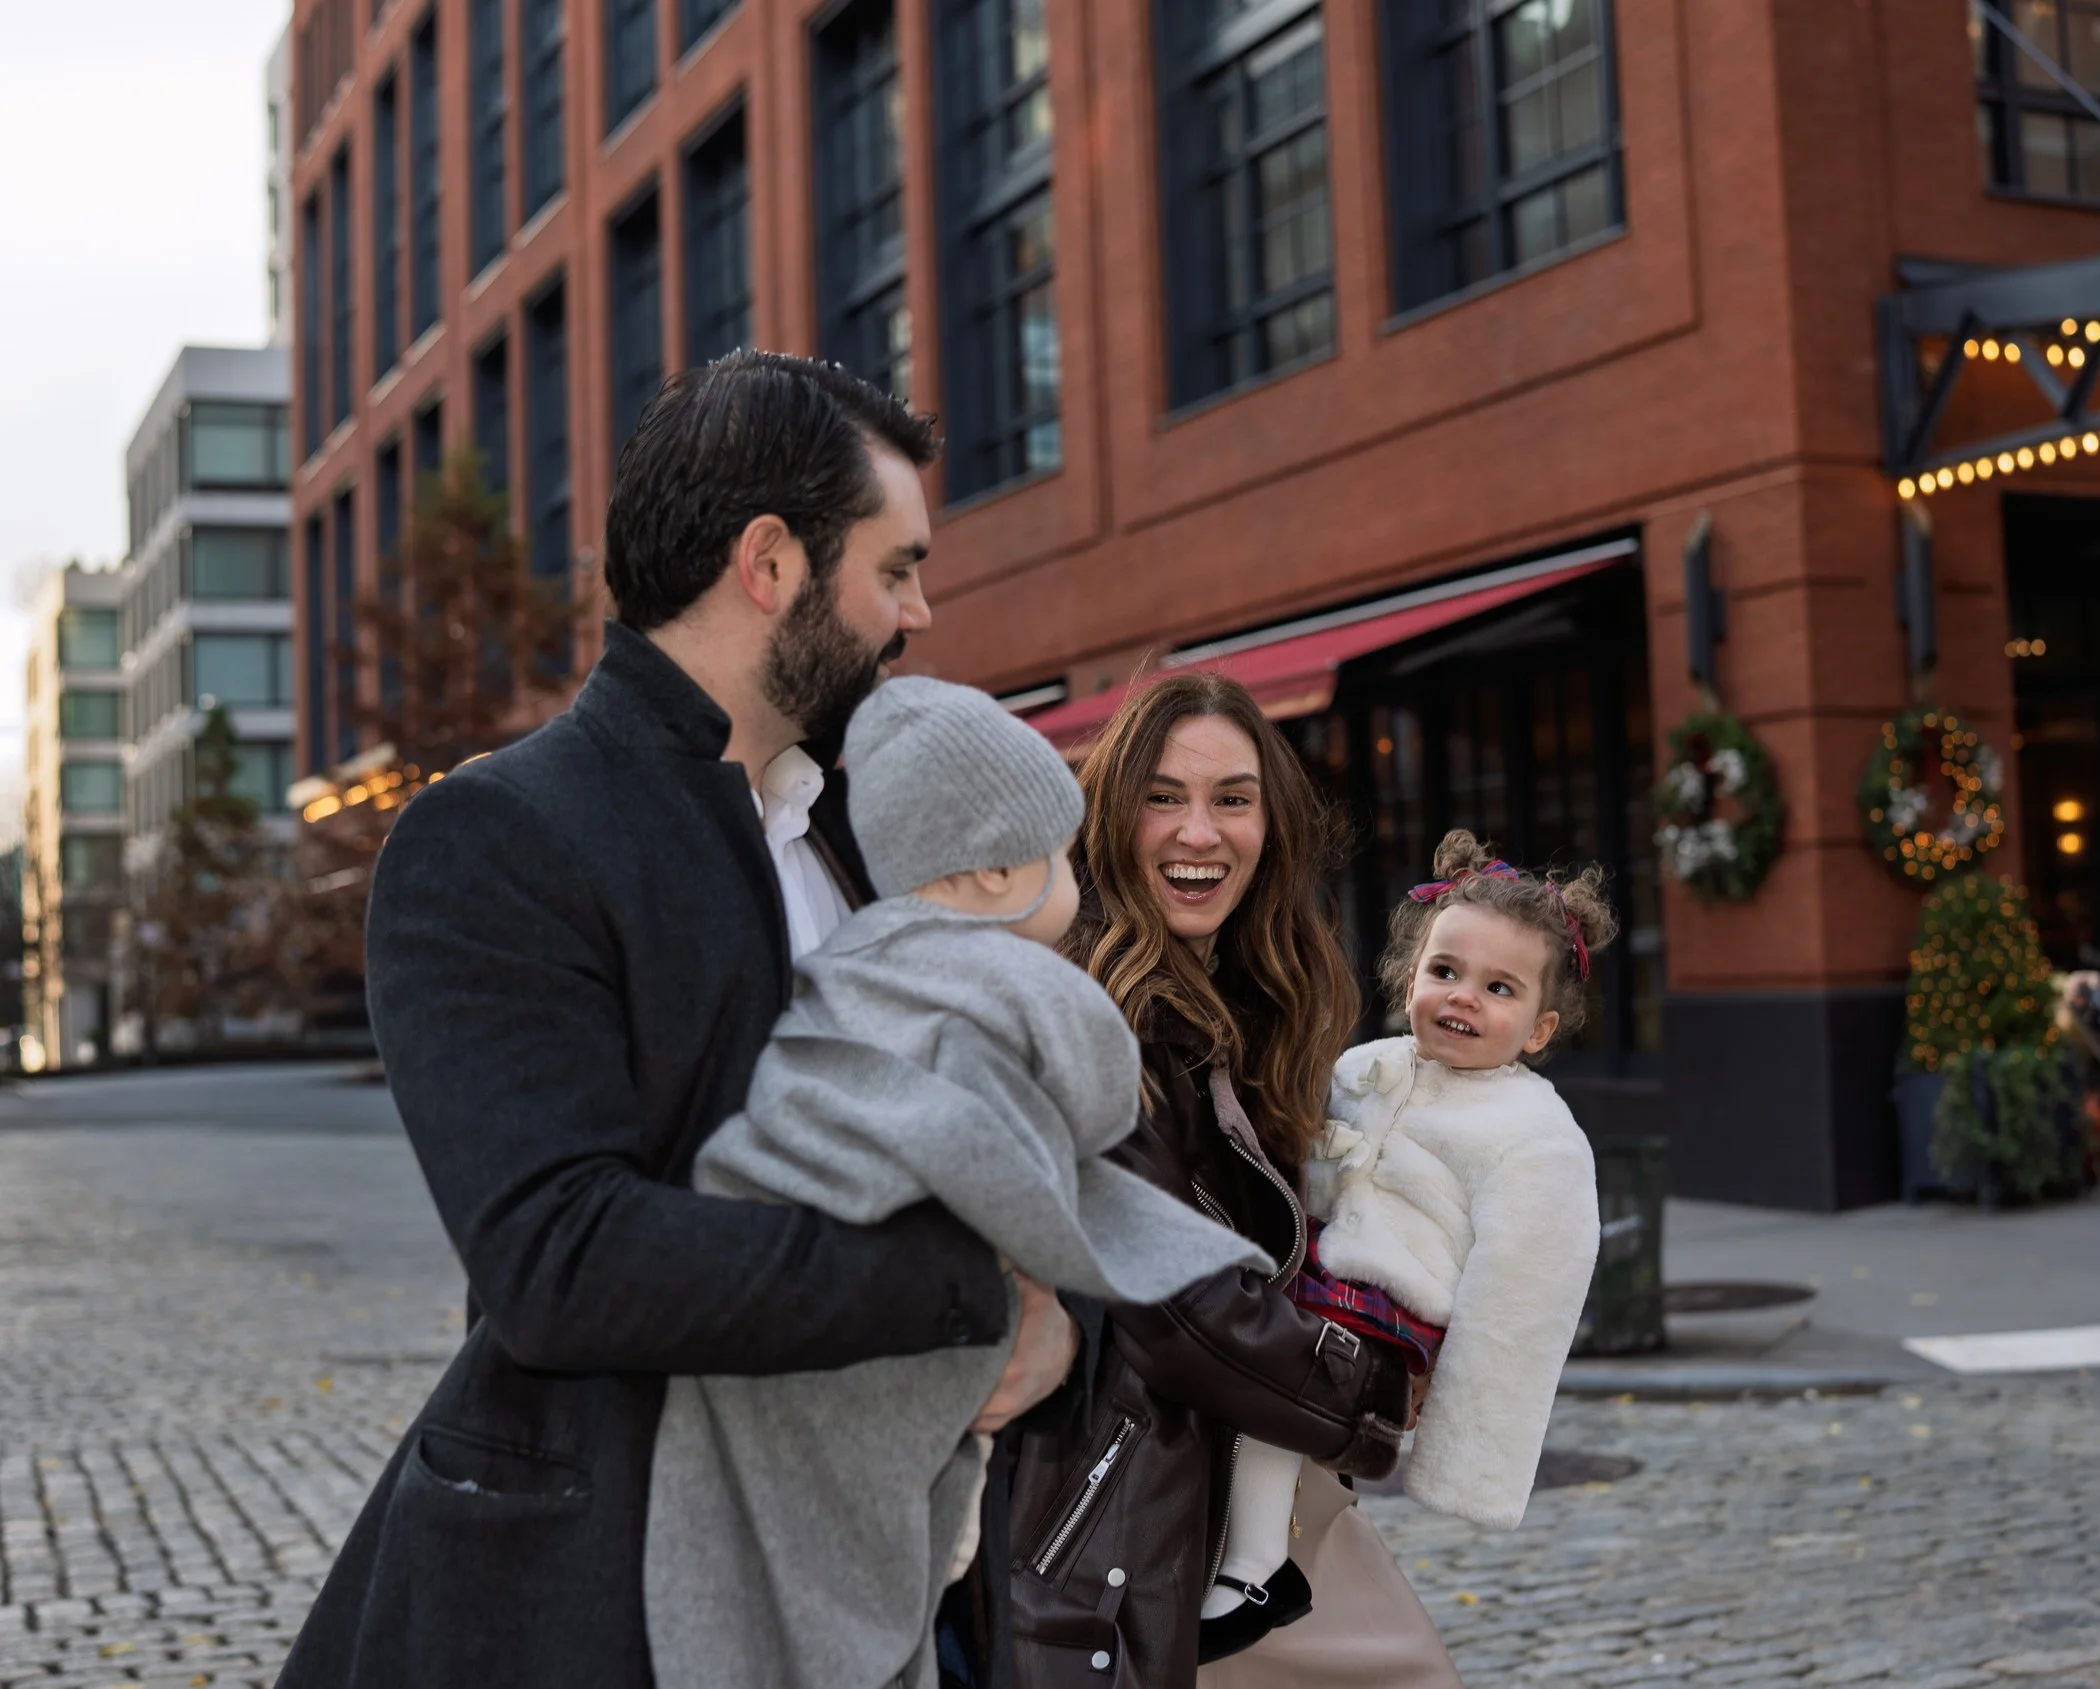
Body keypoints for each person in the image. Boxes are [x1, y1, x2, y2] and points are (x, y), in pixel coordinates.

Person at [276, 353, 1075, 1689]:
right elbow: (563, 1257)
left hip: (869, 1598)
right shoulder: (500, 835)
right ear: (771, 563)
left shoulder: (871, 840)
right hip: (602, 1616)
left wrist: (1053, 1295)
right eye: (894, 569)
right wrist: (964, 1296)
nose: (920, 611)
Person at [643, 678, 1266, 1689]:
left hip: (769, 1269)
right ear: (992, 874)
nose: (1075, 884)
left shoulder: (851, 954)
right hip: (895, 1312)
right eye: (1060, 858)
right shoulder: (995, 977)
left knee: (770, 1554)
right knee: (898, 1546)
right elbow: (1096, 1084)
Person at [1002, 672, 1460, 1689]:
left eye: (1232, 799)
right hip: (1127, 1499)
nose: (1197, 833)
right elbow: (1181, 1309)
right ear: (1113, 816)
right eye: (1162, 797)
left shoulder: (1243, 999)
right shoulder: (1097, 1011)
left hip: (1243, 1481)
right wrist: (1377, 1389)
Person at [1204, 831, 1612, 1646]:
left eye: (1499, 987)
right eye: (1446, 971)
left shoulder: (1535, 1132)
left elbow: (1524, 1295)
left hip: (1392, 1317)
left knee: (1269, 1384)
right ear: (1410, 975)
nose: (1463, 997)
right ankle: (1233, 1549)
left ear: (1539, 1028)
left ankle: (1251, 1570)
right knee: (1231, 1352)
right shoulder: (1365, 1065)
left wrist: (1461, 1443)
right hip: (1316, 1279)